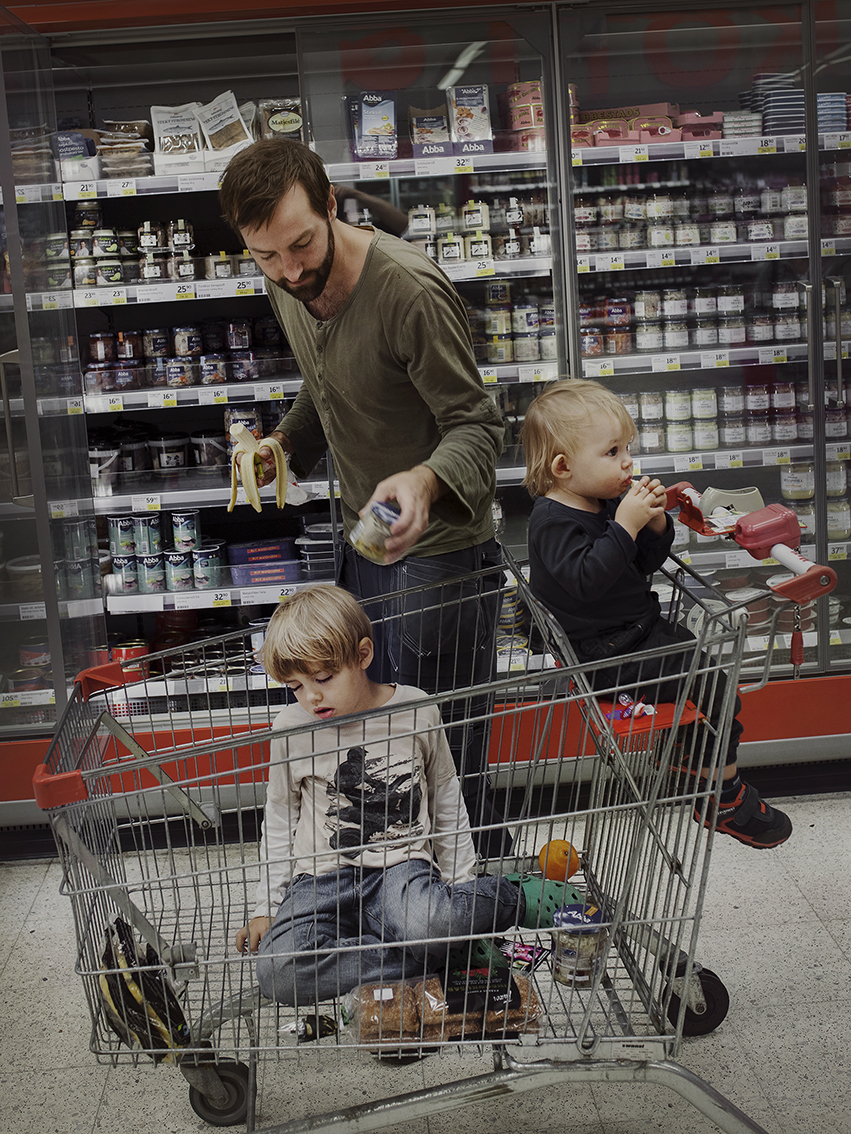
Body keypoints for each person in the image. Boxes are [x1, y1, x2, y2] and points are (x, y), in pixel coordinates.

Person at [219, 139, 507, 854]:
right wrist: (280, 449)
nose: (289, 270)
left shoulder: (406, 290)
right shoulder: (285, 282)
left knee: (441, 759)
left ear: (329, 206)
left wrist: (423, 477)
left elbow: (478, 424)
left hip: (441, 557)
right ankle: (398, 912)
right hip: (367, 547)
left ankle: (468, 928)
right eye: (266, 256)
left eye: (301, 245)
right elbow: (325, 388)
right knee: (380, 758)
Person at [235, 585, 553, 1006]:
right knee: (278, 973)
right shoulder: (292, 727)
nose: (311, 696)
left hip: (400, 870)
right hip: (320, 878)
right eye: (295, 686)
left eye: (324, 678)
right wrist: (266, 905)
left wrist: (461, 889)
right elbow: (278, 816)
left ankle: (512, 896)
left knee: (434, 923)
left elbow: (445, 798)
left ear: (363, 655)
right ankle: (424, 963)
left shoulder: (416, 710)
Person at [521, 379, 792, 849]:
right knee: (716, 686)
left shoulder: (603, 503)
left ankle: (688, 759)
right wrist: (624, 524)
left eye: (627, 447)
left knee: (698, 667)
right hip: (606, 655)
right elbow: (587, 580)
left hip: (633, 636)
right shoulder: (553, 521)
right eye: (611, 451)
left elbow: (641, 565)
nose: (627, 460)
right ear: (563, 467)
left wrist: (654, 525)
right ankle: (722, 796)